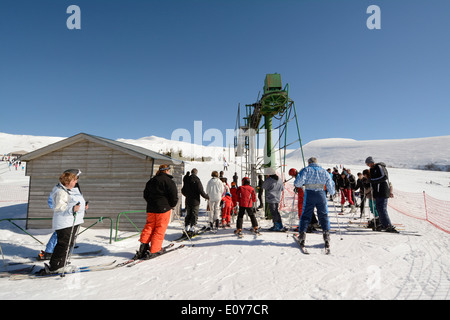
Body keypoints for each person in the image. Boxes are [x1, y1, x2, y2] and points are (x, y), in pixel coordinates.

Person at [39, 170, 88, 274]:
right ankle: (55, 266)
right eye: (74, 180)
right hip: (65, 223)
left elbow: (74, 203)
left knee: (67, 244)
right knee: (63, 244)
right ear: (68, 181)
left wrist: (83, 207)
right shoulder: (60, 191)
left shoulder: (70, 190)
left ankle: (61, 263)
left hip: (72, 221)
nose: (76, 182)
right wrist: (72, 209)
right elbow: (59, 208)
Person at [134, 164, 179, 260]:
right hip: (163, 209)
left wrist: (151, 203)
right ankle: (155, 249)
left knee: (149, 226)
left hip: (151, 208)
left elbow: (145, 194)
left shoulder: (151, 181)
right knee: (160, 228)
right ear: (167, 171)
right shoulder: (169, 181)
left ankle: (143, 248)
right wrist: (171, 205)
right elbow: (174, 196)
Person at [294, 157, 335, 250]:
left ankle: (302, 236)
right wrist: (332, 192)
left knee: (306, 215)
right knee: (323, 215)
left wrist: (300, 184)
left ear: (309, 162)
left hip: (310, 194)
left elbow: (298, 183)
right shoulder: (324, 171)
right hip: (321, 194)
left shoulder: (306, 170)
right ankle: (326, 235)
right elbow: (330, 184)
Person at [365, 157, 397, 232]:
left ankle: (388, 225)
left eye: (368, 164)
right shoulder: (372, 169)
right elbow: (373, 181)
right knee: (379, 208)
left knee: (382, 208)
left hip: (383, 190)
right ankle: (383, 224)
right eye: (367, 164)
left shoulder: (379, 167)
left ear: (371, 162)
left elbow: (384, 177)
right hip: (377, 192)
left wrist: (372, 180)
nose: (368, 165)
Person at [181, 168, 209, 236]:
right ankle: (192, 228)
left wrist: (187, 195)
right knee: (194, 215)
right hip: (195, 201)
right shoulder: (197, 180)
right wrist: (206, 196)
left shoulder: (187, 179)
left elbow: (183, 190)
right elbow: (201, 190)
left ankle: (187, 228)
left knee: (188, 214)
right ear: (196, 173)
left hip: (188, 200)